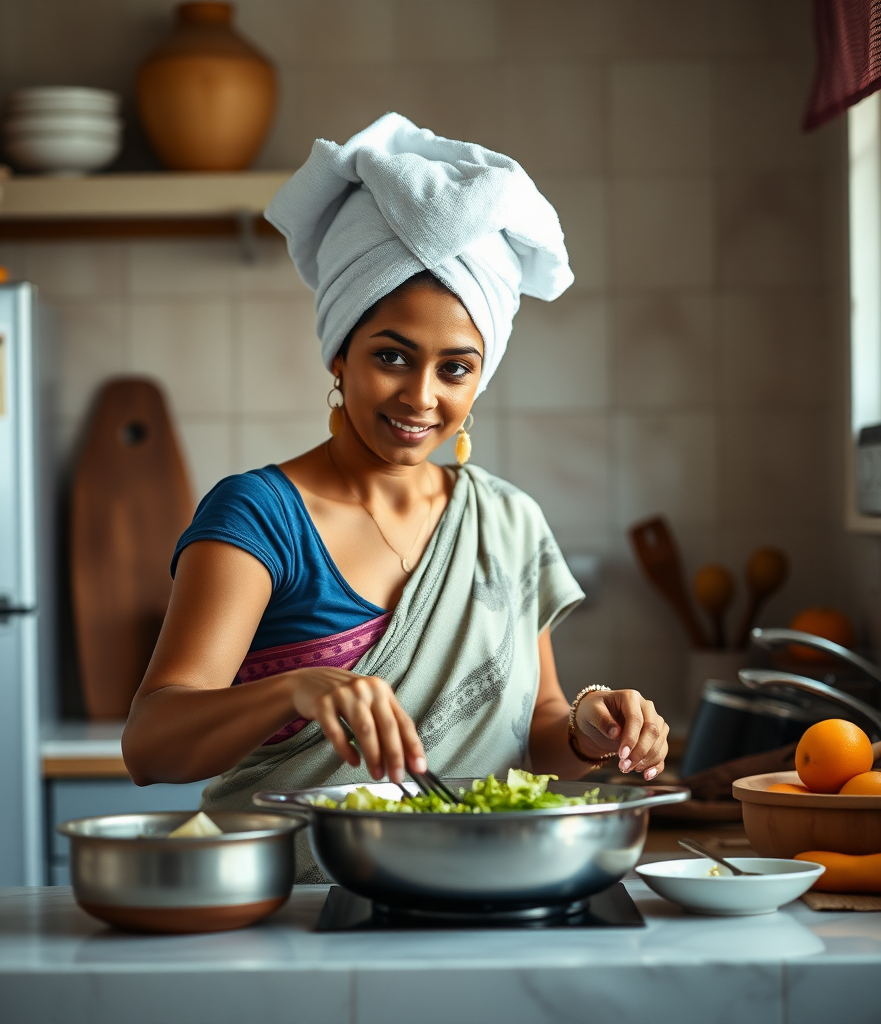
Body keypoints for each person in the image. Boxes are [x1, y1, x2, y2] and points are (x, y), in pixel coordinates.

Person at [122, 113, 669, 880]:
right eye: (391, 356)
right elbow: (151, 746)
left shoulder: (508, 521)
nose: (420, 396)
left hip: (474, 892)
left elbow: (536, 731)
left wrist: (587, 728)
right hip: (292, 906)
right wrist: (298, 690)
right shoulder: (257, 515)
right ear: (339, 353)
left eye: (455, 368)